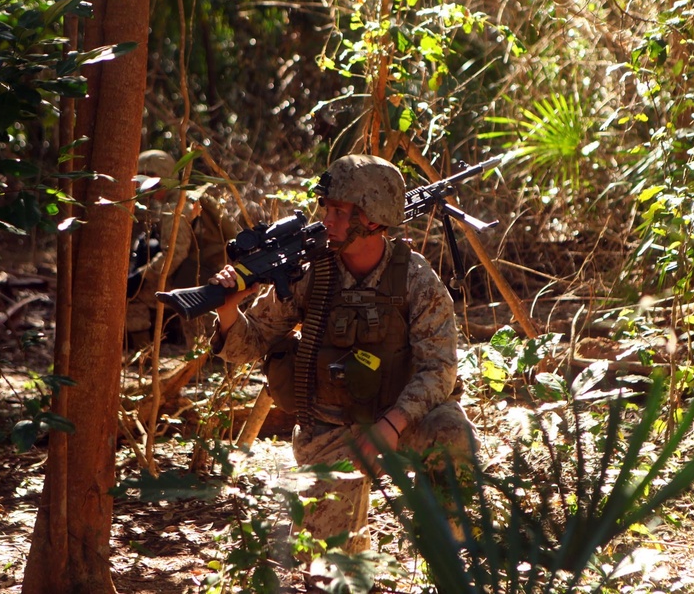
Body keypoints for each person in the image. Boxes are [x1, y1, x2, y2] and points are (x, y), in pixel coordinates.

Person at [209, 153, 479, 554]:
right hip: (329, 430)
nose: (326, 219)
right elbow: (252, 343)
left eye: (339, 210)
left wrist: (390, 426)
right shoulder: (310, 272)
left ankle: (448, 557)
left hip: (401, 422)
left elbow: (439, 370)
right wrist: (228, 308)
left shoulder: (415, 278)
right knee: (330, 567)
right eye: (326, 208)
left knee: (454, 434)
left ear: (371, 219)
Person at [126, 149, 238, 347]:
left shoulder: (175, 207)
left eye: (146, 180)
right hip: (213, 273)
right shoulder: (188, 196)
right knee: (204, 337)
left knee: (133, 297)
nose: (144, 188)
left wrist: (141, 277)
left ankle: (142, 356)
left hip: (197, 278)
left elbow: (175, 254)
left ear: (158, 178)